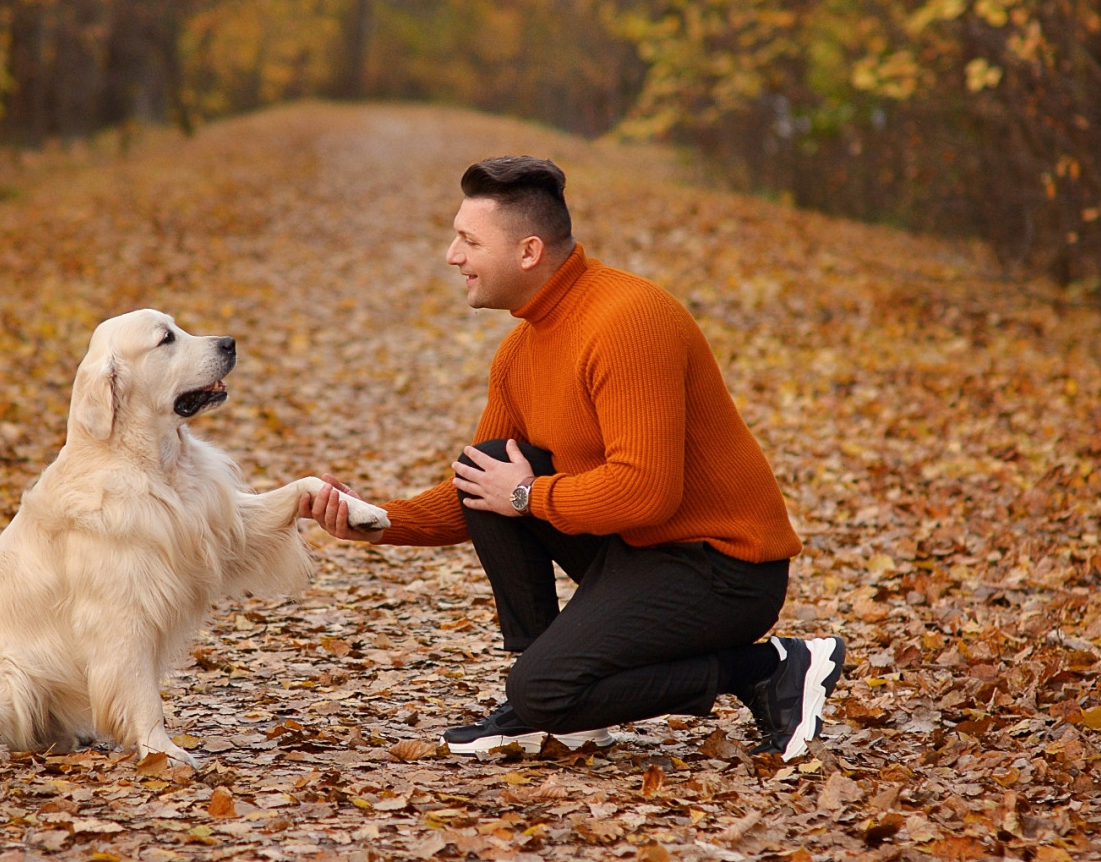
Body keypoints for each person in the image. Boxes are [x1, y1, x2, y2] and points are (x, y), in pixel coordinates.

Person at [301, 155, 844, 760]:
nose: (452, 256)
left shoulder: (627, 321)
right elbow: (480, 491)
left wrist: (527, 495)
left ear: (528, 252)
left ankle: (766, 667)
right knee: (486, 462)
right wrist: (376, 519)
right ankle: (535, 684)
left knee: (550, 689)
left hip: (721, 568)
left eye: (468, 240)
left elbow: (647, 492)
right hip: (638, 553)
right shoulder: (520, 350)